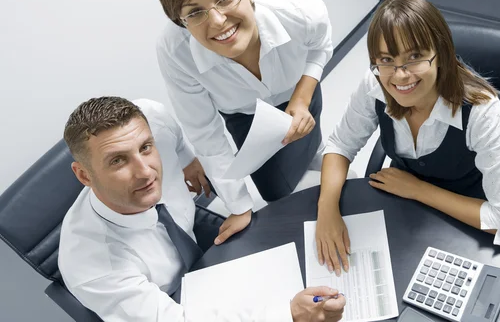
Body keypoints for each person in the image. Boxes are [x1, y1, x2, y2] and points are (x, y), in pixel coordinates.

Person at [58, 96, 345, 321]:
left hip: (202, 254)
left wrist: (187, 159)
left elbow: (170, 132)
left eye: (146, 148)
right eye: (118, 161)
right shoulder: (93, 265)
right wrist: (287, 315)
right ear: (84, 175)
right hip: (169, 299)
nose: (146, 172)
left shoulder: (152, 118)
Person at [315, 0, 500, 276]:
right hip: (403, 206)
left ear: (441, 53)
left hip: (465, 217)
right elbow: (340, 145)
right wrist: (327, 209)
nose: (400, 76)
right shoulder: (376, 83)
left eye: (414, 57)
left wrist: (418, 190)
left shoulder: (480, 109)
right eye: (387, 60)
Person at [154, 0, 332, 238]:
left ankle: (315, 154)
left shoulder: (300, 11)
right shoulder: (176, 52)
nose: (218, 21)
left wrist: (302, 97)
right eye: (195, 12)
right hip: (244, 115)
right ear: (178, 20)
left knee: (311, 141)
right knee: (275, 188)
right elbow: (206, 134)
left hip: (301, 91)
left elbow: (321, 45)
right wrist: (239, 207)